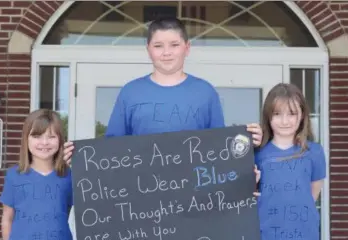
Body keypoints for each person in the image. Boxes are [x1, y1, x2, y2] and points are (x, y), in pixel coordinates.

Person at [63, 17, 262, 164]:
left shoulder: (205, 93)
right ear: (148, 49)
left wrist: (248, 143)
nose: (166, 52)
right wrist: (82, 160)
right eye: (158, 46)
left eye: (174, 45)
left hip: (195, 205)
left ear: (187, 47)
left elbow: (220, 149)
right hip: (141, 204)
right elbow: (113, 150)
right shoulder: (130, 93)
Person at [252, 83, 326, 240]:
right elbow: (249, 195)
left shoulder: (315, 152)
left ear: (302, 115)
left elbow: (313, 194)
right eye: (277, 114)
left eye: (292, 113)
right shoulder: (256, 153)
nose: (285, 121)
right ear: (268, 116)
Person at [0, 109, 74, 240]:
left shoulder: (69, 176)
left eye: (51, 136)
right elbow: (7, 218)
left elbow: (64, 211)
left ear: (61, 140)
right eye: (37, 136)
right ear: (26, 139)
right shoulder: (13, 176)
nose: (44, 142)